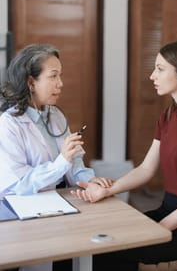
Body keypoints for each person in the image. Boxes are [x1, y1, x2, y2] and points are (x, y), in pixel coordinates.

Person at [71, 41, 177, 271]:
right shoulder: (168, 116)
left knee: (113, 256)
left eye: (160, 69)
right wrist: (108, 190)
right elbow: (146, 169)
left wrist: (161, 228)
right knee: (102, 243)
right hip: (166, 212)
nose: (152, 75)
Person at [0, 44, 112, 271]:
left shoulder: (56, 115)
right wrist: (61, 161)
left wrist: (88, 180)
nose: (60, 83)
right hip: (28, 210)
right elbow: (19, 185)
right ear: (31, 82)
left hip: (63, 202)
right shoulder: (9, 124)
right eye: (53, 76)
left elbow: (75, 162)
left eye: (60, 75)